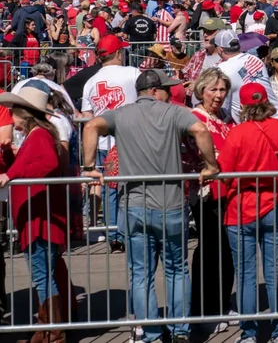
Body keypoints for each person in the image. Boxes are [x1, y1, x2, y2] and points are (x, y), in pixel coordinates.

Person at [81, 69, 219, 343]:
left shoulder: (122, 113)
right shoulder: (173, 112)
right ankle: (180, 330)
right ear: (155, 91)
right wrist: (211, 165)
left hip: (135, 204)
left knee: (141, 272)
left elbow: (90, 125)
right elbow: (201, 129)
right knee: (176, 269)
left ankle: (152, 333)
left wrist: (88, 167)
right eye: (164, 89)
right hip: (171, 204)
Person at [217, 82, 278, 343]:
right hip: (276, 204)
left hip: (241, 208)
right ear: (266, 102)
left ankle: (249, 334)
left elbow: (223, 172)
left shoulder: (237, 133)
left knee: (245, 275)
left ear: (243, 106)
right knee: (275, 272)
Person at [0, 87, 69, 343]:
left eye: (14, 113)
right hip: (38, 215)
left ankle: (52, 332)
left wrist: (11, 175)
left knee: (42, 274)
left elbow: (48, 162)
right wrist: (9, 156)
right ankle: (46, 329)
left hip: (40, 217)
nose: (11, 119)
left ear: (25, 114)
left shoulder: (38, 135)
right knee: (43, 274)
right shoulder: (37, 134)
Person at [80, 34, 141, 252]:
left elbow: (87, 116)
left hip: (104, 143)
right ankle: (128, 232)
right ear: (117, 53)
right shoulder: (132, 73)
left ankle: (115, 234)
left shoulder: (91, 82)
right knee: (133, 187)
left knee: (109, 191)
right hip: (131, 142)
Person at [187, 68, 236, 330]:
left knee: (227, 251)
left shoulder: (227, 116)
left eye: (222, 90)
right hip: (206, 193)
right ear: (201, 91)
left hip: (230, 192)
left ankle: (222, 304)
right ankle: (203, 310)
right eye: (213, 90)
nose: (218, 95)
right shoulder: (194, 117)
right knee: (209, 250)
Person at [216, 30, 278, 122]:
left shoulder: (222, 69)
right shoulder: (255, 59)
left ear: (220, 49)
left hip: (254, 126)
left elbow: (222, 106)